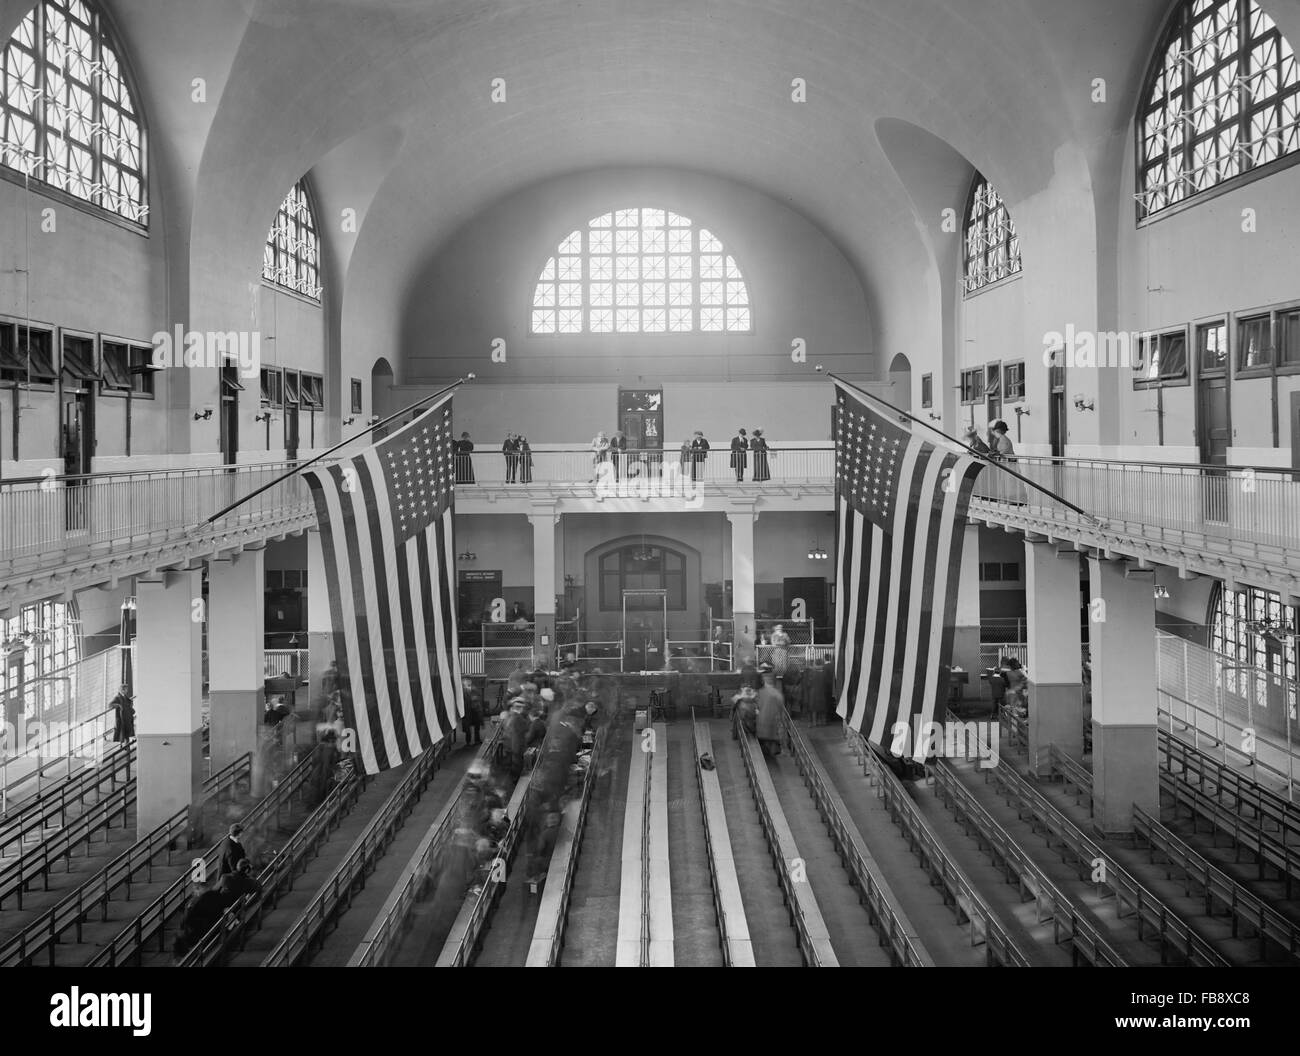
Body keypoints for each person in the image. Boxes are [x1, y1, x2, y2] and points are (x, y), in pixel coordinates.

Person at [755, 665, 783, 758]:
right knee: (771, 739)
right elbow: (781, 707)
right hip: (773, 722)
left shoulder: (760, 692)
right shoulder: (777, 694)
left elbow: (757, 705)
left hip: (762, 721)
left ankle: (764, 755)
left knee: (763, 741)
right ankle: (771, 753)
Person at [802, 657, 833, 726]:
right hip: (822, 692)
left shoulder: (811, 674)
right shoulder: (824, 673)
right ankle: (822, 722)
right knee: (822, 708)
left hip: (813, 693)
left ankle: (814, 722)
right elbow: (827, 683)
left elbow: (808, 684)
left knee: (813, 709)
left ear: (815, 664)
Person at [461, 676, 483, 746]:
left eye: (467, 680)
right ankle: (468, 742)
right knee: (468, 728)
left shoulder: (474, 689)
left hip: (474, 711)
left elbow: (478, 699)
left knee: (477, 725)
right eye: (465, 680)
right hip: (467, 711)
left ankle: (477, 740)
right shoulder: (462, 691)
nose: (466, 681)